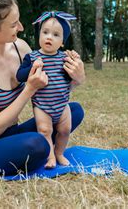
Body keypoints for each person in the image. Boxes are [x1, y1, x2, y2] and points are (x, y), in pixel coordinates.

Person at [0, 0, 85, 176]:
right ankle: (41, 150)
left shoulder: (20, 48)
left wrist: (77, 78)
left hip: (12, 133)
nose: (21, 27)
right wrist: (29, 89)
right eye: (13, 25)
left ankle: (43, 150)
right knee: (38, 144)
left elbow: (51, 88)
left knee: (73, 111)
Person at [16, 11, 81, 168]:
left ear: (62, 42)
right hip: (42, 105)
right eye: (45, 32)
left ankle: (59, 152)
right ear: (39, 35)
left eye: (56, 34)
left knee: (65, 130)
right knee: (45, 130)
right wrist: (32, 67)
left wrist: (76, 62)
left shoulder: (64, 58)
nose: (49, 37)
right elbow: (20, 75)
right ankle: (50, 156)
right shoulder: (32, 57)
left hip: (62, 104)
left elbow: (70, 78)